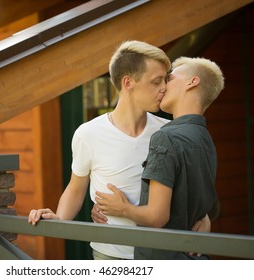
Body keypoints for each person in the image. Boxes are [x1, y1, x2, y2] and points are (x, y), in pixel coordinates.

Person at [28, 41, 210, 260]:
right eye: (156, 81)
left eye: (165, 79)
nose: (164, 87)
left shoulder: (167, 132)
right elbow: (76, 189)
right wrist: (58, 219)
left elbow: (189, 185)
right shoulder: (88, 133)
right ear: (128, 83)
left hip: (161, 256)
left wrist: (204, 217)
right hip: (110, 256)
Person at [95, 56, 224, 259]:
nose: (163, 87)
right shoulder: (206, 138)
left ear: (192, 82)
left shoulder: (166, 136)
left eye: (169, 78)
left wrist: (123, 208)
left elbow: (157, 217)